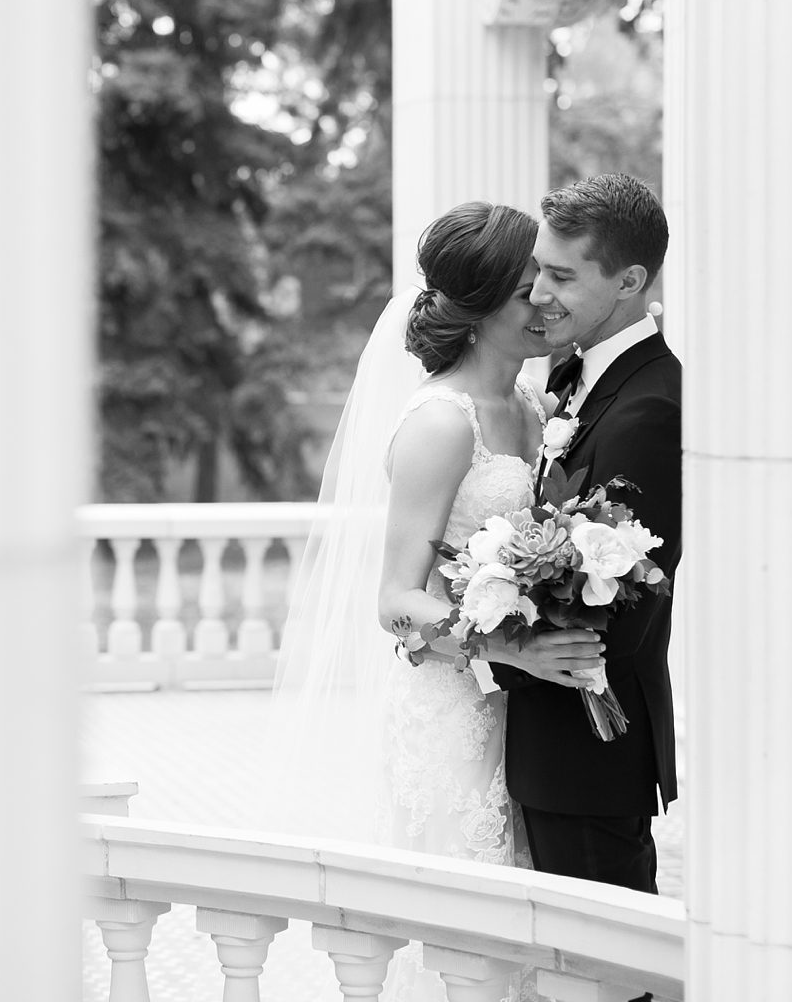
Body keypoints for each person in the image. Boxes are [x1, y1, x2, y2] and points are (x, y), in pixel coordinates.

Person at [261, 200, 605, 1002]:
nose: (546, 303)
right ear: (479, 309)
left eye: (550, 283)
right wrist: (514, 648)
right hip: (455, 711)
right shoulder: (442, 423)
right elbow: (395, 601)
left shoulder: (538, 407)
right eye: (526, 291)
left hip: (530, 712)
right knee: (471, 947)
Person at [491, 173, 681, 895]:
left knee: (607, 954)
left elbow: (618, 616)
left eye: (563, 276)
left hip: (590, 753)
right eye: (540, 269)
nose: (539, 292)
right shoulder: (575, 374)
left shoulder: (650, 409)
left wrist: (485, 648)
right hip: (551, 747)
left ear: (629, 281)